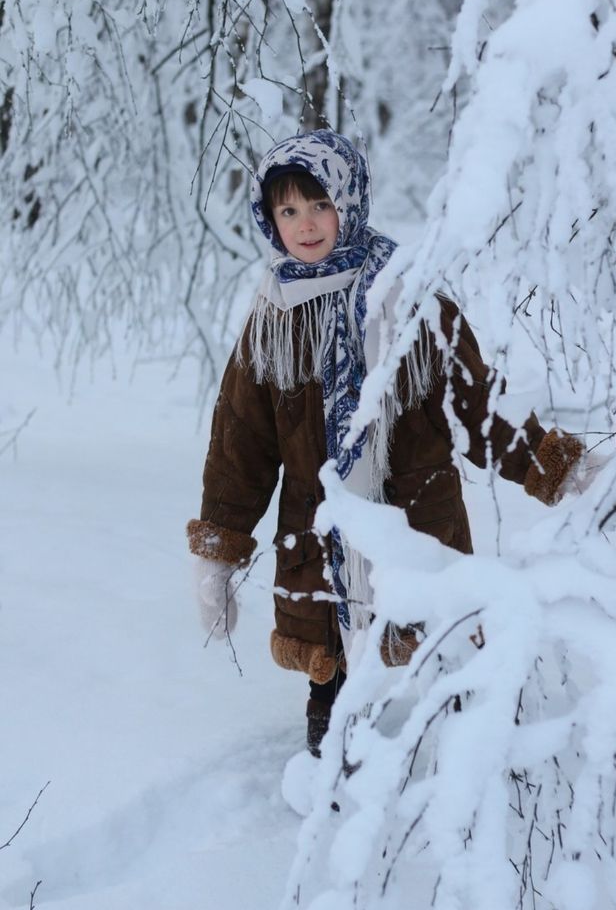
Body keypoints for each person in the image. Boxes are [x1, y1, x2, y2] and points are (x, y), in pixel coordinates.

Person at [187, 130, 586, 757]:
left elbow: (478, 407)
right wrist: (219, 550)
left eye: (320, 205)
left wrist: (557, 468)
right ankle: (333, 761)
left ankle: (468, 766)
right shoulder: (272, 318)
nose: (306, 225)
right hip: (320, 533)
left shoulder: (409, 299)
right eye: (287, 211)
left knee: (442, 648)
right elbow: (242, 444)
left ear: (350, 202)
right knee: (334, 672)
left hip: (416, 524)